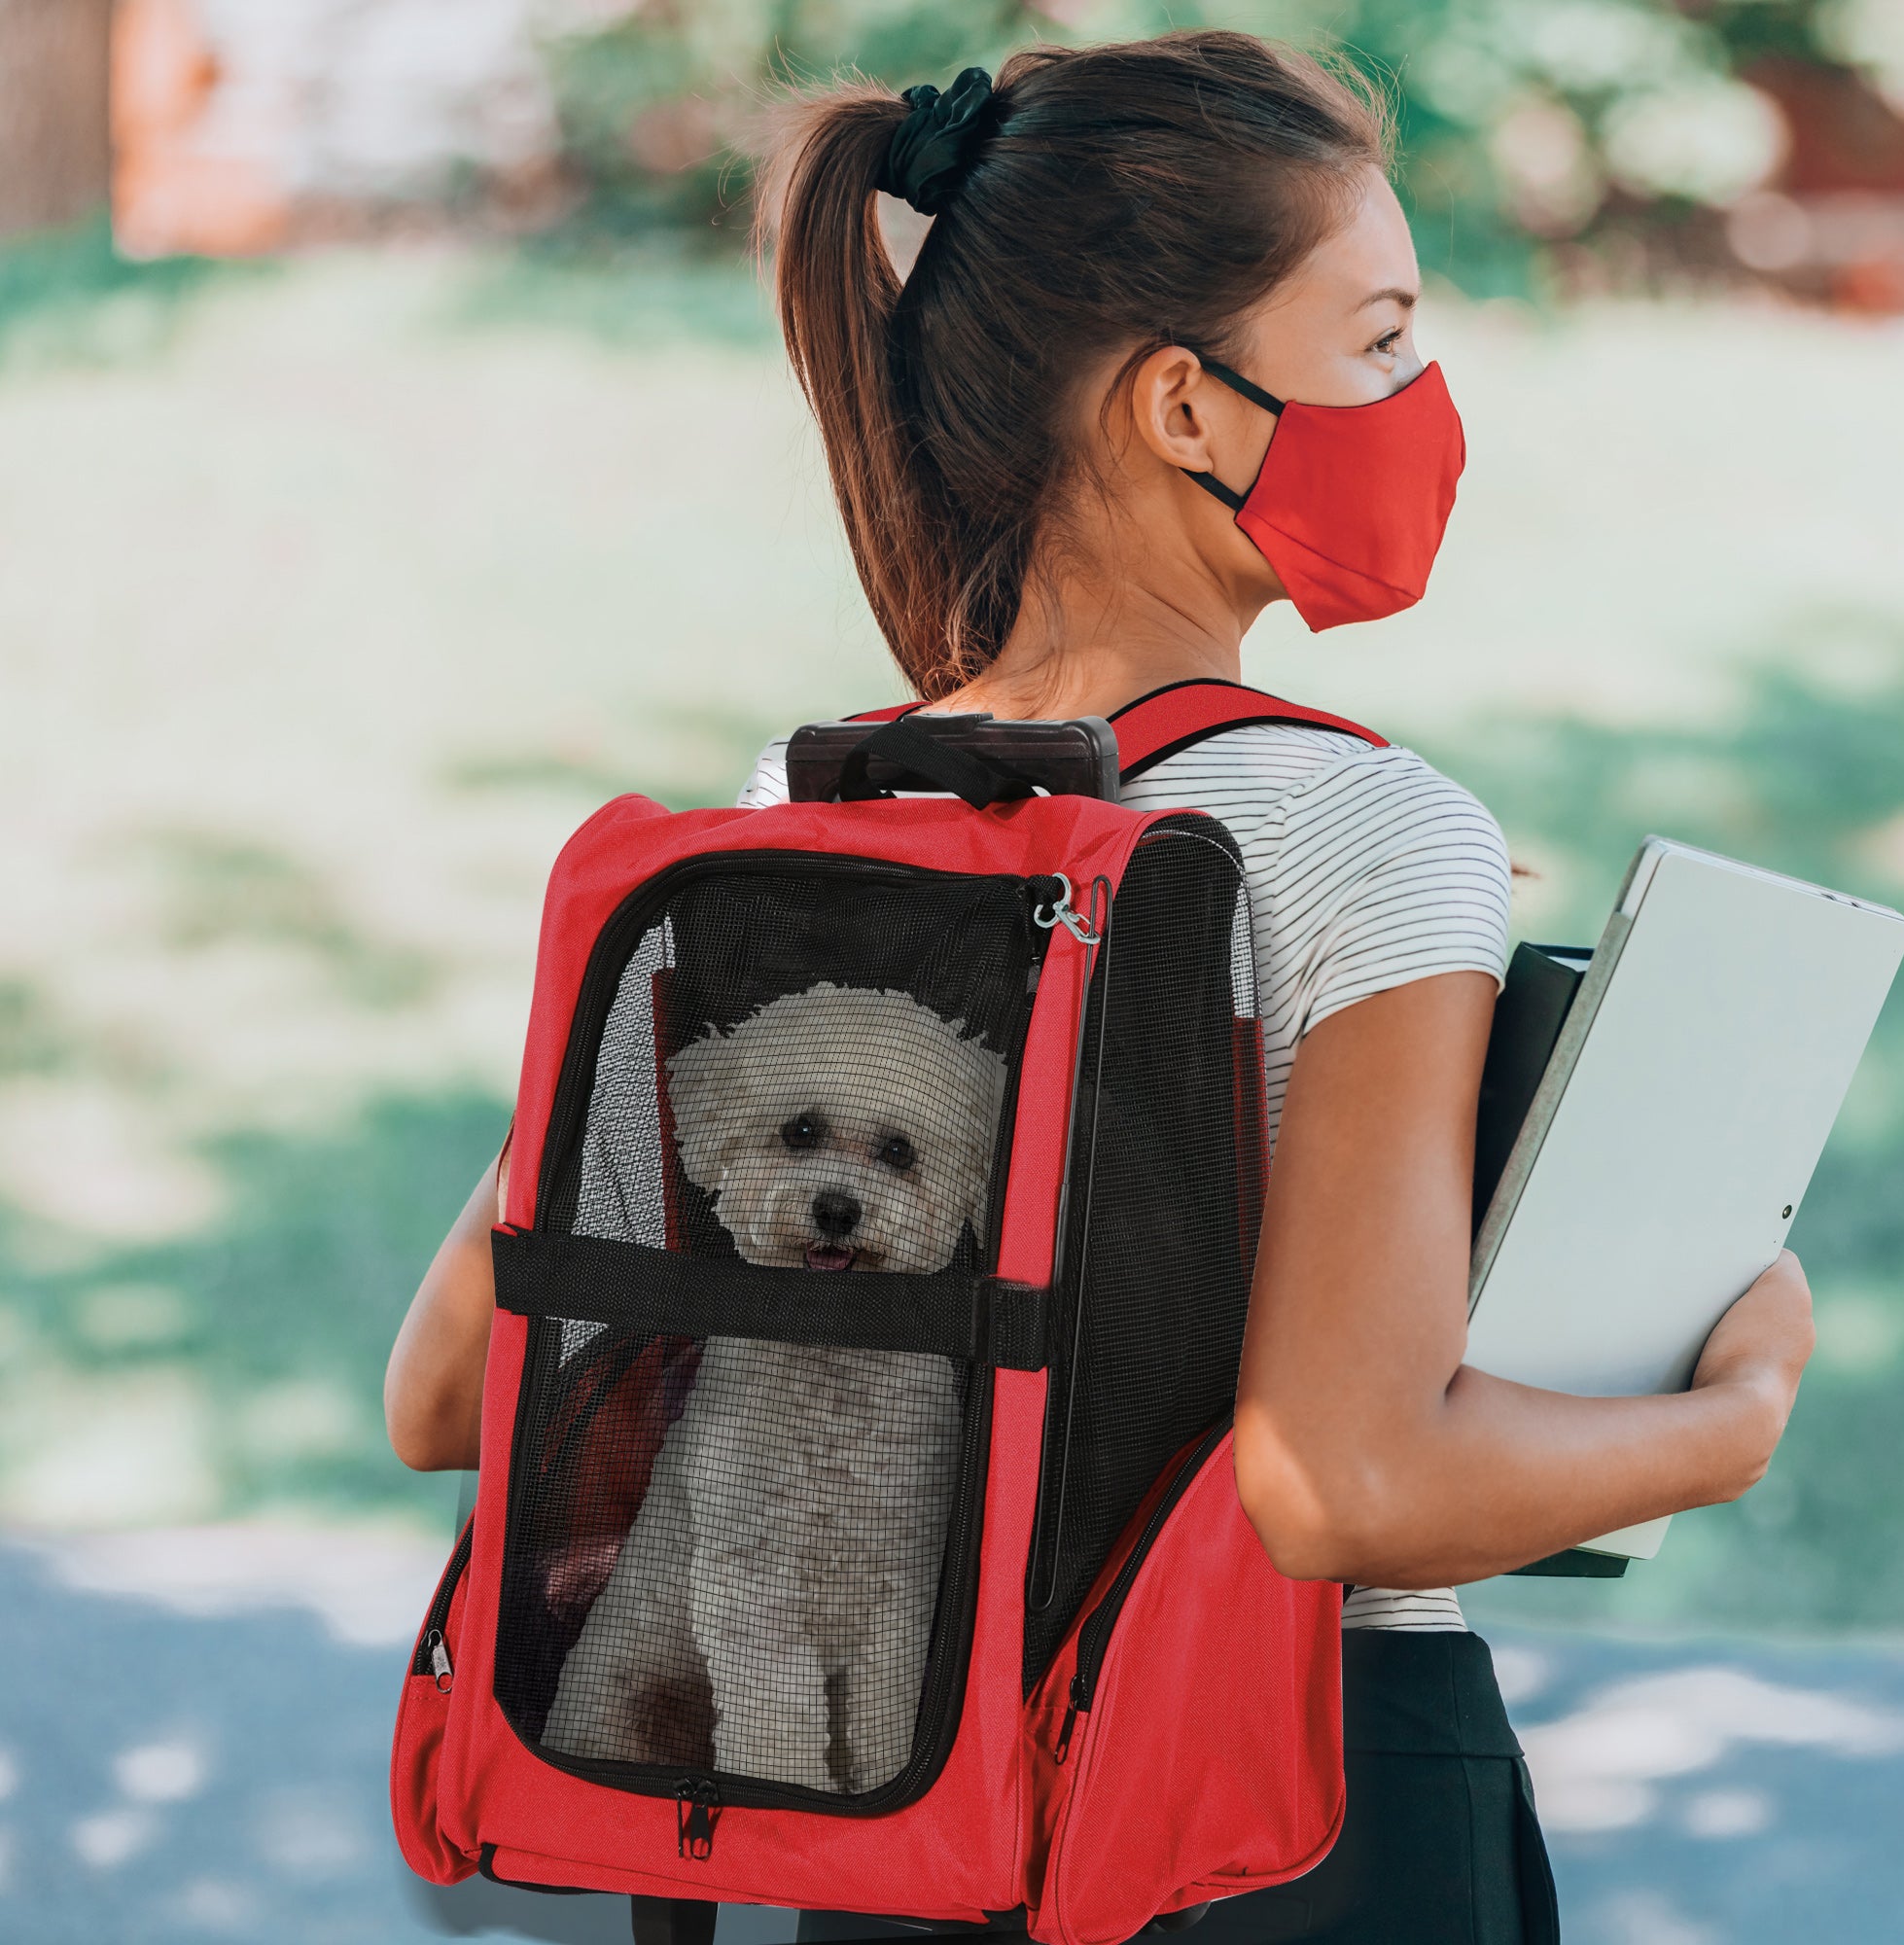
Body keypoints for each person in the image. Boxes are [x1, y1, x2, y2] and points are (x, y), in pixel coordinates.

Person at [386, 29, 1816, 1943]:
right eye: (1380, 335)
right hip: (1284, 1802)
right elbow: (1344, 1482)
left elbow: (442, 1393)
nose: (1424, 393)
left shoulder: (791, 815)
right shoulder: (1368, 829)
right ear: (1181, 407)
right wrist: (1731, 1409)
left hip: (900, 1797)